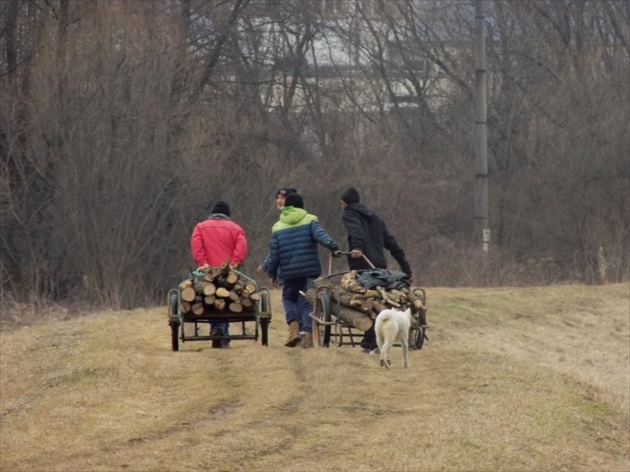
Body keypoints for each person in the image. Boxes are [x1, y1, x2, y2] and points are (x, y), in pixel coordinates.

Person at [339, 186, 413, 352]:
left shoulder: (349, 213)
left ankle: (370, 341)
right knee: (380, 300)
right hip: (379, 267)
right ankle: (380, 337)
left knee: (366, 302)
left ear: (344, 203)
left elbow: (356, 230)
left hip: (362, 267)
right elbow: (392, 244)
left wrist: (357, 248)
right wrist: (406, 269)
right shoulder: (376, 218)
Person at [263, 192, 341, 348]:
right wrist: (332, 245)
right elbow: (321, 235)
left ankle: (293, 328)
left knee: (288, 299)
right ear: (301, 205)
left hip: (289, 273)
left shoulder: (278, 226)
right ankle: (308, 336)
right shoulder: (310, 219)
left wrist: (272, 273)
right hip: (309, 271)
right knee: (307, 302)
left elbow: (274, 255)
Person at [191, 200, 247, 348]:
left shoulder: (200, 227)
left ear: (212, 214)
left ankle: (217, 329)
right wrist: (234, 263)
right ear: (227, 215)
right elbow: (241, 247)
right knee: (226, 297)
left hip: (208, 272)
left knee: (209, 297)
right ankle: (221, 331)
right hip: (227, 272)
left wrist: (202, 263)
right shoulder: (235, 228)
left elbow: (197, 246)